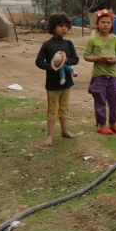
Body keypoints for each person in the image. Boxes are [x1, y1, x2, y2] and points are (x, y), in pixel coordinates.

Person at [35, 13, 79, 146]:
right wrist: (52, 66)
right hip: (53, 84)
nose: (64, 29)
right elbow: (38, 61)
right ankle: (49, 135)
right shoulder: (47, 45)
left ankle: (64, 131)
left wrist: (67, 61)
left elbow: (75, 59)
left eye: (66, 26)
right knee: (52, 109)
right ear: (53, 27)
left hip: (67, 83)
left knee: (64, 108)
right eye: (60, 26)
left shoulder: (69, 43)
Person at [84, 9, 116, 135]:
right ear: (97, 24)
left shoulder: (115, 39)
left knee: (114, 102)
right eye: (102, 22)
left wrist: (114, 61)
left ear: (112, 24)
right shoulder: (93, 39)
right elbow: (86, 56)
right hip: (98, 76)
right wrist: (96, 59)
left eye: (108, 22)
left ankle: (114, 123)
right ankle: (102, 125)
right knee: (100, 101)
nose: (105, 24)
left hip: (112, 75)